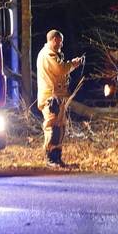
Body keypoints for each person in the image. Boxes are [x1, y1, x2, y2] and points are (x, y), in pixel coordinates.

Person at [36, 29, 84, 167]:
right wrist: (73, 64)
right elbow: (61, 69)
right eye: (60, 42)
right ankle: (51, 157)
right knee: (53, 126)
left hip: (57, 97)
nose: (61, 45)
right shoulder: (48, 55)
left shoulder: (52, 54)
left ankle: (56, 157)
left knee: (60, 126)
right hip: (51, 98)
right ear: (55, 40)